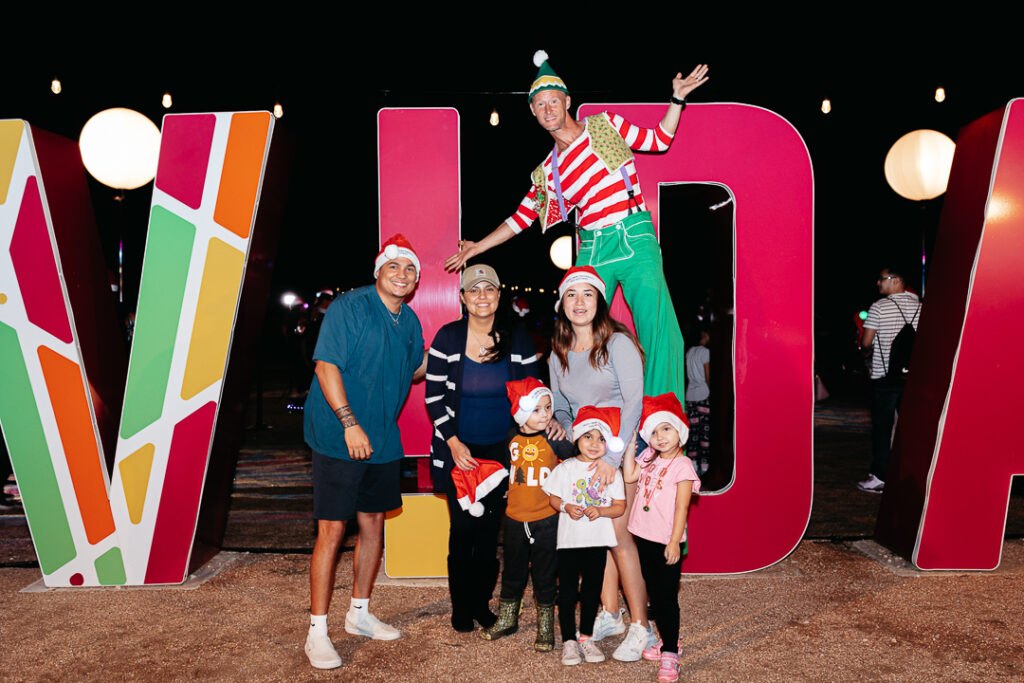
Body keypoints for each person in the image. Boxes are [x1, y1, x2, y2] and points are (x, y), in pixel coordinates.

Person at [445, 51, 709, 404]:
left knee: (662, 331)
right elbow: (521, 216)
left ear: (567, 101)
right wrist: (479, 246)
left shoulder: (604, 126)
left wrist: (677, 99)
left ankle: (662, 419)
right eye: (540, 104)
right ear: (533, 113)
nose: (548, 109)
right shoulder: (549, 172)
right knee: (581, 331)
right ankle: (592, 415)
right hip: (593, 248)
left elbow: (659, 140)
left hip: (633, 235)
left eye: (553, 100)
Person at [303, 234, 428, 670]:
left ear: (415, 282)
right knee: (333, 530)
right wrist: (349, 422)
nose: (401, 274)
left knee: (374, 522)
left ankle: (359, 614)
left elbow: (416, 370)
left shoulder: (409, 320)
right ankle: (317, 631)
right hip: (340, 434)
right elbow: (325, 366)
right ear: (378, 271)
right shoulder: (348, 308)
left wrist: (462, 351)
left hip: (381, 436)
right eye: (393, 266)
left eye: (409, 269)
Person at [425, 264, 543, 632]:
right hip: (458, 450)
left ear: (498, 295)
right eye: (473, 290)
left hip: (501, 453)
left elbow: (531, 395)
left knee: (489, 534)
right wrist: (454, 443)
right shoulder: (447, 337)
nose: (481, 296)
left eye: (488, 289)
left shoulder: (518, 339)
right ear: (462, 298)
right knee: (461, 532)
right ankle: (461, 608)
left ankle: (480, 604)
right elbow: (433, 398)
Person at [547, 266, 654, 661]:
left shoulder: (618, 344)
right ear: (562, 303)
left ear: (599, 301)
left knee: (621, 539)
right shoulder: (558, 353)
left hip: (620, 450)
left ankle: (642, 626)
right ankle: (609, 613)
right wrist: (560, 426)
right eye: (571, 295)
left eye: (588, 295)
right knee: (598, 535)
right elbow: (561, 405)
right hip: (586, 454)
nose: (579, 302)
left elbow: (633, 403)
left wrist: (613, 455)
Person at [481, 378, 573, 650]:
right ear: (521, 413)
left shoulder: (555, 439)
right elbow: (511, 468)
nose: (545, 414)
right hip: (514, 519)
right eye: (536, 409)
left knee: (545, 573)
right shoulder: (511, 437)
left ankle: (545, 626)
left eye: (548, 407)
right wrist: (511, 488)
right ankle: (508, 619)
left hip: (546, 519)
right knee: (512, 571)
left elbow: (574, 465)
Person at [622, 394, 701, 683]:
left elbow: (682, 506)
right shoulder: (649, 457)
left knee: (666, 597)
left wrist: (673, 541)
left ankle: (669, 652)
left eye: (666, 428)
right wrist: (632, 446)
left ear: (680, 430)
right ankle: (669, 638)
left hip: (665, 539)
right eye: (654, 432)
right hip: (642, 535)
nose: (660, 436)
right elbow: (630, 476)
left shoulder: (683, 466)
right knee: (655, 591)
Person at [543, 406, 626, 666]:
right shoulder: (566, 468)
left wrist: (600, 510)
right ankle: (569, 640)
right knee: (567, 591)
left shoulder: (611, 472)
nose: (594, 443)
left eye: (601, 438)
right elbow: (553, 498)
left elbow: (619, 506)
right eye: (588, 436)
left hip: (596, 542)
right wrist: (566, 507)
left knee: (591, 592)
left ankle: (586, 637)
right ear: (577, 438)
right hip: (569, 542)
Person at [859, 266, 921, 493]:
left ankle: (879, 477)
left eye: (881, 279)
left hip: (884, 377)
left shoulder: (879, 307)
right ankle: (908, 475)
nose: (878, 283)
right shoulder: (920, 307)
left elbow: (866, 343)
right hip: (911, 378)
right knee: (909, 429)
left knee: (882, 429)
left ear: (895, 281)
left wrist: (868, 349)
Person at [684, 327, 711, 475]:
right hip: (703, 394)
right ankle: (705, 465)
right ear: (705, 335)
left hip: (690, 395)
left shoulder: (689, 352)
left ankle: (693, 465)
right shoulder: (705, 352)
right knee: (704, 431)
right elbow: (707, 374)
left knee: (693, 431)